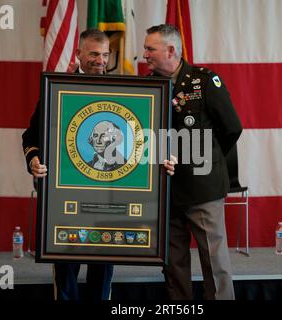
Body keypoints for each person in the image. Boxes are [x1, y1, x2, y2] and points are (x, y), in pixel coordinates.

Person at [23, 28, 176, 301]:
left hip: (111, 195)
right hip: (67, 195)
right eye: (94, 54)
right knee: (65, 269)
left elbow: (145, 140)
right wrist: (34, 160)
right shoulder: (57, 88)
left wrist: (163, 159)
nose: (100, 60)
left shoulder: (126, 90)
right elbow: (31, 137)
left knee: (103, 270)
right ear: (79, 53)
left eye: (105, 55)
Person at [143, 24, 243, 300]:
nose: (145, 54)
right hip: (166, 188)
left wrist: (203, 159)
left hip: (202, 187)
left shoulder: (204, 81)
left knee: (214, 259)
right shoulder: (149, 84)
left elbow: (231, 128)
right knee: (173, 261)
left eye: (150, 48)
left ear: (171, 50)